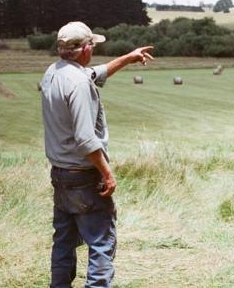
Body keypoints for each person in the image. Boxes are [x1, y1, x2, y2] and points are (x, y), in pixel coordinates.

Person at [40, 21, 153, 288]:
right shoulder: (78, 84)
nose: (94, 48)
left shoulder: (53, 72)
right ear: (84, 49)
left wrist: (128, 58)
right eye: (92, 44)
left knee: (64, 242)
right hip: (84, 177)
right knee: (101, 244)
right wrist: (107, 173)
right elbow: (86, 139)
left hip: (60, 174)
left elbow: (95, 73)